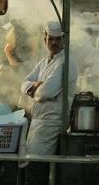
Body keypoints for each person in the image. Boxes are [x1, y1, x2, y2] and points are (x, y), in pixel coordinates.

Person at [21, 21, 78, 185]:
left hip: (50, 122)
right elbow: (23, 83)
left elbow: (46, 92)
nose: (54, 43)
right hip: (38, 122)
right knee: (33, 168)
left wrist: (36, 88)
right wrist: (35, 86)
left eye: (58, 39)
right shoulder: (45, 61)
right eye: (51, 39)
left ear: (63, 39)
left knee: (37, 169)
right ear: (45, 39)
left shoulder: (66, 62)